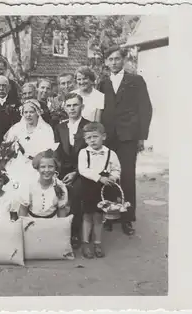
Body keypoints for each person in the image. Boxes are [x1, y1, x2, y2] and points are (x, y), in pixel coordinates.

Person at [97, 46, 153, 235]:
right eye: (110, 59)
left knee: (127, 176)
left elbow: (145, 108)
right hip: (107, 137)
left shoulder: (135, 81)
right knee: (108, 175)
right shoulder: (102, 83)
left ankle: (127, 218)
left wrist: (141, 137)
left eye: (117, 59)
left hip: (128, 136)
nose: (114, 62)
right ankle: (110, 216)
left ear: (124, 60)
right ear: (106, 62)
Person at [78, 122, 121, 258]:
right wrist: (99, 178)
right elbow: (83, 170)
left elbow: (116, 169)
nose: (92, 140)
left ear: (104, 137)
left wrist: (113, 177)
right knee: (87, 216)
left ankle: (97, 243)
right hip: (89, 187)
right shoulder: (84, 153)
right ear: (85, 140)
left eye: (95, 137)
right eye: (89, 138)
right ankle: (85, 243)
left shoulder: (111, 154)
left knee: (98, 216)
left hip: (104, 189)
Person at [54, 92, 90, 249]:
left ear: (82, 106)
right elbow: (56, 152)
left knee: (75, 192)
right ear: (64, 108)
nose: (72, 108)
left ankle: (74, 233)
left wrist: (76, 172)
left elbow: (91, 154)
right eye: (68, 105)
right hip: (62, 169)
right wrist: (55, 173)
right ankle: (55, 231)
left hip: (82, 171)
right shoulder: (60, 127)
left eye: (75, 105)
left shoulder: (88, 126)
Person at [2, 99, 58, 188]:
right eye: (26, 112)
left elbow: (48, 151)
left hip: (37, 164)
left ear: (38, 113)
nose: (28, 115)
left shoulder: (46, 129)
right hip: (18, 162)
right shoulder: (17, 128)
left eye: (31, 112)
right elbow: (7, 146)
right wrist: (13, 148)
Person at [16, 150, 69, 219]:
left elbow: (62, 211)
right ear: (37, 168)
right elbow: (23, 210)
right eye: (43, 167)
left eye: (50, 166)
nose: (46, 170)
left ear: (55, 167)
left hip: (52, 223)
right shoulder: (29, 185)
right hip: (31, 223)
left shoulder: (60, 186)